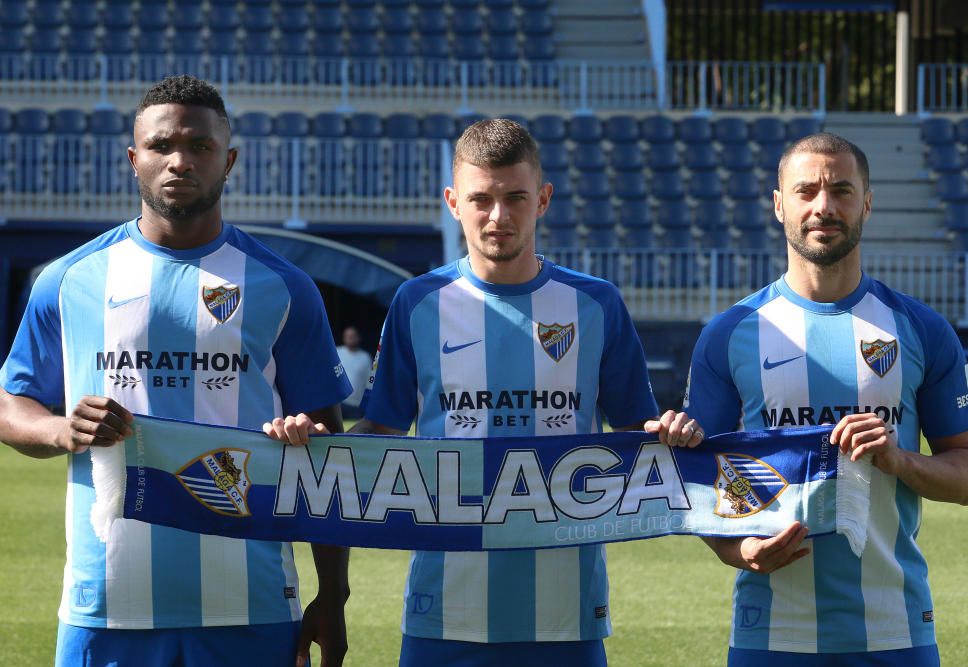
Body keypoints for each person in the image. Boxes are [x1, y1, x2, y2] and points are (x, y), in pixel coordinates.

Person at [270, 118, 700, 666]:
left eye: (515, 197)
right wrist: (316, 443)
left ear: (542, 199)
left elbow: (637, 432)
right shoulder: (417, 302)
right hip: (444, 611)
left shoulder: (596, 304)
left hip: (566, 613)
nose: (499, 216)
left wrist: (671, 429)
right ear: (453, 202)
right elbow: (381, 431)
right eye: (481, 199)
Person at [0, 75, 353, 667]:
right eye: (161, 145)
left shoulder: (284, 287)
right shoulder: (68, 280)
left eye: (200, 146)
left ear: (229, 160)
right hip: (107, 604)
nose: (180, 161)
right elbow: (11, 404)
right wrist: (62, 430)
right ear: (133, 159)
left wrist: (333, 594)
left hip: (252, 603)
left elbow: (327, 453)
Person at [645, 132, 968, 666]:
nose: (823, 205)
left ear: (867, 203)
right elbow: (698, 481)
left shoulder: (921, 329)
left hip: (894, 629)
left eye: (841, 190)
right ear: (779, 204)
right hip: (772, 633)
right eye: (806, 191)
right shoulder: (731, 334)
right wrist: (739, 550)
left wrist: (900, 460)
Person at [336, 326, 373, 420]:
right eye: (348, 336)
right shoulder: (336, 352)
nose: (350, 338)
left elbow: (370, 382)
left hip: (356, 405)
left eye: (353, 336)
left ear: (358, 338)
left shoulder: (365, 357)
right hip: (337, 404)